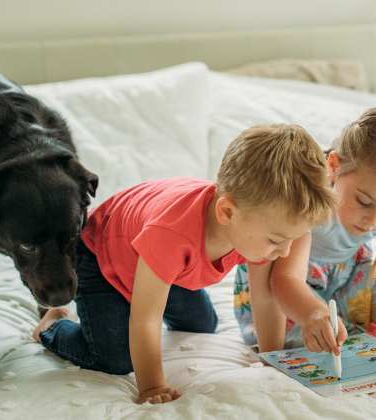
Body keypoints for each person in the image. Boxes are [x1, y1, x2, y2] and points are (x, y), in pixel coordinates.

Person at [32, 124, 335, 403]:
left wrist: (273, 358)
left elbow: (265, 297)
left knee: (204, 324)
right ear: (227, 212)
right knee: (115, 360)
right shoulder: (172, 235)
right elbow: (146, 318)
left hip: (165, 264)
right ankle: (52, 325)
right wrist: (151, 385)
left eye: (291, 241)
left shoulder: (254, 225)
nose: (284, 253)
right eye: (276, 240)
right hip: (100, 257)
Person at [234, 108, 376, 354]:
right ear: (334, 166)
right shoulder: (309, 196)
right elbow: (284, 279)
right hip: (289, 285)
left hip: (349, 274)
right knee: (310, 338)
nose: (374, 220)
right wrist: (312, 314)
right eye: (364, 202)